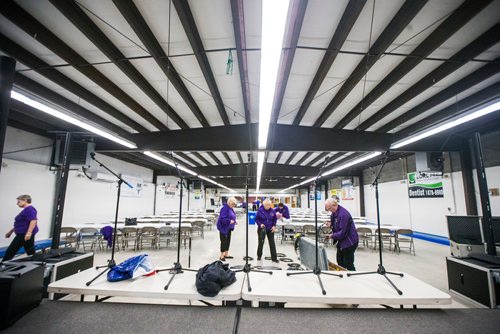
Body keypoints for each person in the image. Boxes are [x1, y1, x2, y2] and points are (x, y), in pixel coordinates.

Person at [2, 194, 39, 262]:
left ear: (25, 200)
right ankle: (36, 264)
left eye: (18, 202)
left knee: (10, 251)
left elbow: (33, 220)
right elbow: (21, 223)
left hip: (23, 234)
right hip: (24, 234)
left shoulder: (29, 209)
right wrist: (11, 231)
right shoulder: (26, 210)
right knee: (30, 251)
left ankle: (2, 265)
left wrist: (29, 233)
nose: (17, 203)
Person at [325, 197, 358, 271]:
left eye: (329, 208)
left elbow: (343, 232)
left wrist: (332, 236)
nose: (329, 210)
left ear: (334, 205)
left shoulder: (343, 214)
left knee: (348, 263)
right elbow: (337, 225)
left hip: (349, 242)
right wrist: (330, 225)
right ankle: (343, 277)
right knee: (340, 261)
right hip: (342, 241)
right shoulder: (334, 213)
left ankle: (353, 277)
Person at [256, 198, 278, 263]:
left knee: (272, 243)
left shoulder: (272, 211)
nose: (268, 206)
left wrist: (274, 226)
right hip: (262, 229)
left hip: (270, 229)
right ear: (264, 204)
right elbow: (257, 219)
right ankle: (259, 256)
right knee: (261, 243)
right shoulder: (260, 210)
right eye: (266, 205)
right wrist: (260, 224)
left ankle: (274, 258)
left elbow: (275, 219)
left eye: (269, 205)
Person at [217, 197, 237, 261]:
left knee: (228, 241)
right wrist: (229, 221)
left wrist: (234, 221)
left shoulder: (231, 208)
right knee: (224, 241)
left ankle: (226, 254)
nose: (233, 205)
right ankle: (221, 256)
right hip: (224, 228)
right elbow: (222, 218)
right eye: (232, 204)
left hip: (229, 228)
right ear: (229, 203)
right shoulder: (224, 209)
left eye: (234, 204)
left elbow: (231, 216)